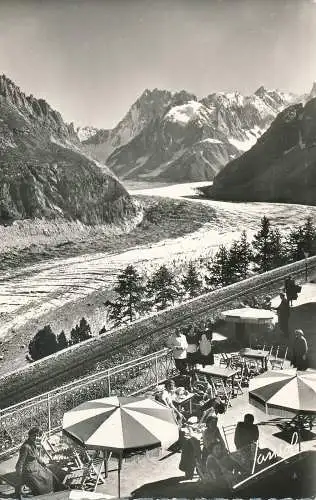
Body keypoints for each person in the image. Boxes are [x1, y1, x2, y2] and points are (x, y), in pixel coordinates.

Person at [15, 427, 54, 499]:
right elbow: (20, 463)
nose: (36, 438)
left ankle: (51, 492)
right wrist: (20, 477)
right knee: (41, 483)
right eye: (34, 436)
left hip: (36, 467)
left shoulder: (33, 444)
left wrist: (43, 463)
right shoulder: (25, 447)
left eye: (37, 435)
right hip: (29, 471)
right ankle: (42, 495)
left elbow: (36, 457)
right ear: (30, 436)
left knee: (49, 474)